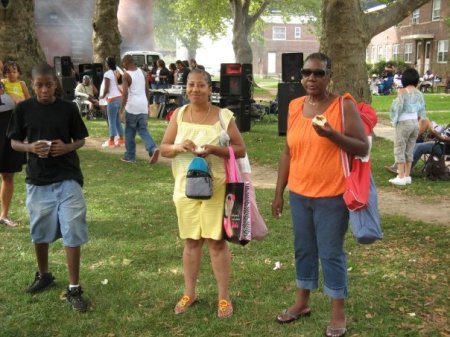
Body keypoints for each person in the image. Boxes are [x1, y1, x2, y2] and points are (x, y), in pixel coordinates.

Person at [271, 53, 369, 337]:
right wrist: (280, 192)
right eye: (306, 73)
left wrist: (332, 135)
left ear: (329, 76)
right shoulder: (293, 106)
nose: (311, 78)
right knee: (303, 248)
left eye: (319, 73)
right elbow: (288, 152)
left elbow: (362, 147)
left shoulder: (343, 105)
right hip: (300, 195)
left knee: (330, 252)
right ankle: (302, 303)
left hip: (332, 196)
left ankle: (338, 313)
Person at [160, 69, 246, 319]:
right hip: (185, 189)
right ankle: (189, 293)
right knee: (191, 241)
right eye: (190, 85)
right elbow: (164, 149)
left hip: (217, 188)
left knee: (216, 242)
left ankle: (223, 297)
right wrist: (178, 146)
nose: (194, 89)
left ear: (210, 89)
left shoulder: (223, 116)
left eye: (200, 85)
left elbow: (240, 149)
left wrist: (215, 150)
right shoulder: (179, 114)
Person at [8, 63, 89, 311]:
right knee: (40, 231)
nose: (44, 89)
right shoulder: (23, 109)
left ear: (56, 84)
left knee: (73, 228)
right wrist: (30, 148)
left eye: (49, 84)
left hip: (68, 178)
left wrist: (66, 147)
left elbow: (80, 139)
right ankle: (44, 274)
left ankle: (74, 288)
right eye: (39, 85)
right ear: (32, 85)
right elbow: (14, 142)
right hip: (38, 179)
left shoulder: (68, 109)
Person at [119, 55, 160, 164]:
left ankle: (130, 156)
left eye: (123, 64)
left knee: (129, 131)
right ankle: (152, 148)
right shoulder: (142, 72)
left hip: (132, 106)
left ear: (126, 63)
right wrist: (147, 104)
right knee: (143, 130)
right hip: (143, 105)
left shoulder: (126, 75)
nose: (123, 66)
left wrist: (121, 110)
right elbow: (147, 90)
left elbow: (125, 94)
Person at [389, 68, 426, 185]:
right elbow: (422, 110)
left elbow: (397, 108)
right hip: (415, 123)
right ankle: (407, 176)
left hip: (403, 123)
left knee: (399, 148)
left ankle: (400, 176)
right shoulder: (419, 93)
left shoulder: (402, 92)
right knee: (409, 149)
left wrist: (394, 120)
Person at [385, 118, 450, 174]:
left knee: (419, 147)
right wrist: (435, 133)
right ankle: (400, 165)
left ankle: (406, 169)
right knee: (414, 141)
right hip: (438, 142)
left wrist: (439, 136)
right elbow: (444, 132)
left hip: (443, 147)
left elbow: (445, 138)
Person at [0, 81, 25, 227]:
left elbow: (25, 101)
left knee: (7, 175)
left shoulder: (12, 84)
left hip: (7, 131)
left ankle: (3, 215)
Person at [100, 56, 124, 148]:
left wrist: (102, 96)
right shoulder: (117, 72)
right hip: (119, 98)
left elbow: (106, 89)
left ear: (107, 64)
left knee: (111, 121)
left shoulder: (107, 74)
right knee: (117, 120)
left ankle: (111, 141)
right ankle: (121, 140)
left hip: (112, 99)